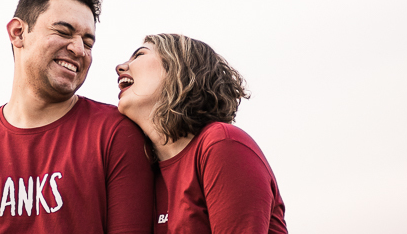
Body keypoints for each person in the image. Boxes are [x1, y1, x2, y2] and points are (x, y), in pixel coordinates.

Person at [0, 0, 153, 234]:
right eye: (63, 32)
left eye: (88, 42)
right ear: (18, 33)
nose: (79, 49)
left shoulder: (116, 134)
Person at [115, 33, 287, 234]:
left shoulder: (222, 144)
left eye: (139, 55)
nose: (120, 67)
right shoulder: (143, 172)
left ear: (179, 68)